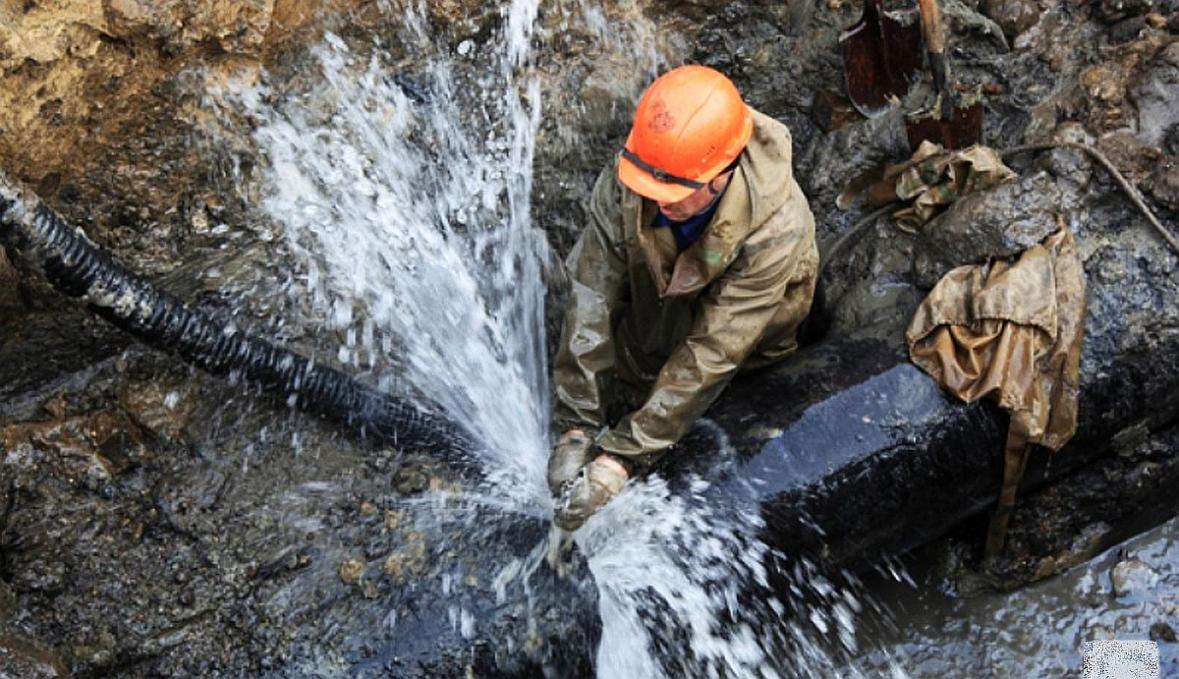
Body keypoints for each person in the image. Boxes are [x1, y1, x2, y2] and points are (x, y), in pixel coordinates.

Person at [548, 64, 819, 530]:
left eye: (673, 193)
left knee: (715, 396)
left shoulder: (778, 229)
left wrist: (621, 459)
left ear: (721, 175)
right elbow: (592, 291)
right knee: (633, 360)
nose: (656, 201)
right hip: (656, 310)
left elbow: (714, 350)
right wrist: (577, 425)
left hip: (747, 343)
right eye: (650, 190)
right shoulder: (638, 172)